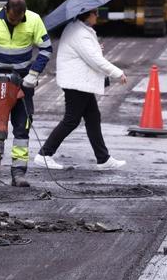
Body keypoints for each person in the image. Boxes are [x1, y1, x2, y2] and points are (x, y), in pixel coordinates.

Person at [0, 0, 54, 188]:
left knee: (22, 127)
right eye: (13, 18)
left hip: (23, 82)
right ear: (6, 10)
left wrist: (34, 73)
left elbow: (46, 48)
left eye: (19, 19)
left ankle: (19, 173)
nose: (16, 21)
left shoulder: (33, 19)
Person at [35, 9, 127, 169]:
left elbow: (87, 53)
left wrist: (96, 48)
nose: (97, 16)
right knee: (71, 120)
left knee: (92, 117)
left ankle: (103, 159)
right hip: (76, 83)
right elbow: (95, 60)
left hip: (79, 81)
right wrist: (118, 73)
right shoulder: (80, 33)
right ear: (88, 15)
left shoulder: (78, 29)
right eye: (95, 13)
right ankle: (44, 154)